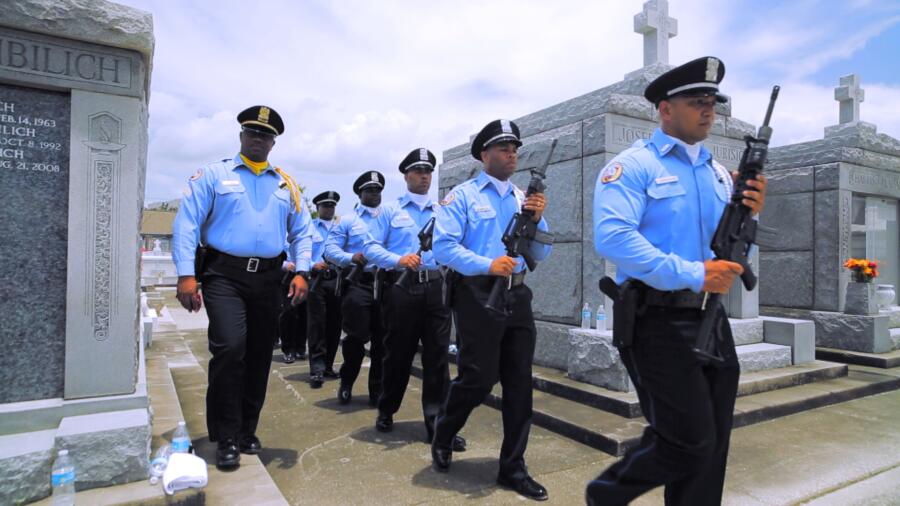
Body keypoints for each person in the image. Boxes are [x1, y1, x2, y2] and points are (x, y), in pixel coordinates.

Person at [585, 57, 768, 506]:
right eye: (697, 102)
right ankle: (606, 494)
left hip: (711, 317)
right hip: (656, 320)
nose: (708, 110)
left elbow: (728, 241)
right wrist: (694, 273)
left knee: (712, 441)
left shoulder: (717, 173)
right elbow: (614, 238)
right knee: (687, 439)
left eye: (712, 102)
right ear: (665, 109)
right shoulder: (633, 166)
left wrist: (752, 212)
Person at [171, 105, 312, 469]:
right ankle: (226, 435)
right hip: (224, 275)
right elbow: (187, 224)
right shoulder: (214, 175)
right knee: (231, 349)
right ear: (240, 136)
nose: (258, 139)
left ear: (273, 142)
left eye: (265, 135)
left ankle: (248, 429)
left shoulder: (286, 184)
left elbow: (303, 232)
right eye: (252, 132)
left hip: (268, 278)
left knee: (260, 355)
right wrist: (187, 274)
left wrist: (304, 272)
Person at [431, 119, 552, 501]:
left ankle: (513, 467)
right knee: (478, 378)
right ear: (485, 154)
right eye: (503, 147)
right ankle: (445, 432)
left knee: (519, 383)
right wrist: (487, 264)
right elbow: (443, 248)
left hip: (517, 296)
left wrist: (535, 218)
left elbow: (542, 252)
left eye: (514, 147)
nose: (511, 153)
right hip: (477, 295)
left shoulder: (522, 198)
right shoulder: (462, 196)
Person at [364, 148, 465, 452]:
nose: (424, 176)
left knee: (438, 358)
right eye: (418, 171)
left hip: (436, 287)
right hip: (402, 289)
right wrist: (398, 259)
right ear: (406, 175)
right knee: (398, 354)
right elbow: (369, 248)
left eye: (428, 171)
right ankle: (387, 408)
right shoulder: (390, 211)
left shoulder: (443, 210)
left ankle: (436, 423)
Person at [323, 172, 387, 406]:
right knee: (356, 337)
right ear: (360, 193)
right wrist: (351, 257)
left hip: (386, 282)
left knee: (382, 340)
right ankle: (347, 380)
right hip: (359, 283)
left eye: (378, 190)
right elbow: (329, 250)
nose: (374, 194)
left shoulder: (389, 217)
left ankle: (376, 390)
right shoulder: (348, 220)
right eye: (370, 190)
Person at [306, 190, 344, 388]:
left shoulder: (341, 228)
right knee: (317, 325)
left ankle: (328, 365)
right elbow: (300, 251)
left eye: (332, 206)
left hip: (337, 279)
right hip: (317, 280)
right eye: (325, 206)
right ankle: (317, 369)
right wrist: (312, 264)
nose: (329, 209)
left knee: (335, 325)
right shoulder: (309, 227)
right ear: (318, 208)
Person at [278, 259, 308, 364]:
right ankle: (288, 349)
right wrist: (285, 265)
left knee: (303, 314)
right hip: (286, 277)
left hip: (306, 275)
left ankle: (300, 347)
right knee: (287, 313)